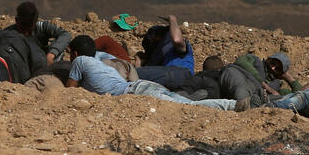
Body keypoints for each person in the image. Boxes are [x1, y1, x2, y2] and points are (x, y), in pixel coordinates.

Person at [64, 36, 242, 111]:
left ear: (75, 53)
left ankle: (235, 106)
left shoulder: (80, 61)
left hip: (137, 91)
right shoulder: (100, 62)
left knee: (190, 107)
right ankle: (237, 105)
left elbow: (69, 92)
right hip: (142, 86)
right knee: (187, 104)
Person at [135, 15, 195, 89]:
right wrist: (138, 62)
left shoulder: (173, 46)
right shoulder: (163, 58)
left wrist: (172, 19)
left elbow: (177, 40)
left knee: (129, 73)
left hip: (179, 74)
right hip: (178, 82)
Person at [5, 1, 70, 66]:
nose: (26, 33)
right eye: (23, 28)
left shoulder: (42, 27)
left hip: (43, 61)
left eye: (30, 29)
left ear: (35, 22)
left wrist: (52, 54)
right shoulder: (9, 33)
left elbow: (65, 35)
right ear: (17, 20)